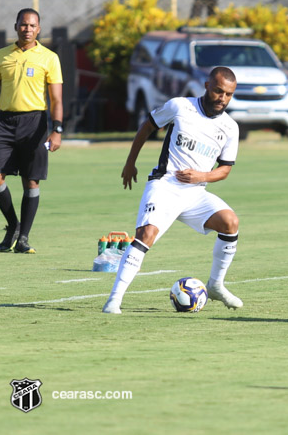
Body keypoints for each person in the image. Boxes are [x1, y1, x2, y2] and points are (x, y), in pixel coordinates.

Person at [103, 66, 242, 314]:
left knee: (230, 222)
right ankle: (114, 299)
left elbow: (225, 169)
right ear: (207, 86)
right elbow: (147, 128)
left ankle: (216, 285)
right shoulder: (180, 106)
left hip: (196, 193)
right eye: (219, 91)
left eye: (229, 94)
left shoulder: (230, 128)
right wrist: (130, 163)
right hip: (165, 185)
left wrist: (202, 176)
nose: (223, 99)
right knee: (146, 234)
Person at [0, 8, 64, 254]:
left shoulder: (49, 58)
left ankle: (23, 238)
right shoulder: (1, 56)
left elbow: (56, 98)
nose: (27, 29)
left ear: (39, 29)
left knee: (30, 181)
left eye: (32, 25)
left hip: (35, 123)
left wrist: (57, 129)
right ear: (16, 26)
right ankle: (13, 224)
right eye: (23, 25)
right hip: (4, 122)